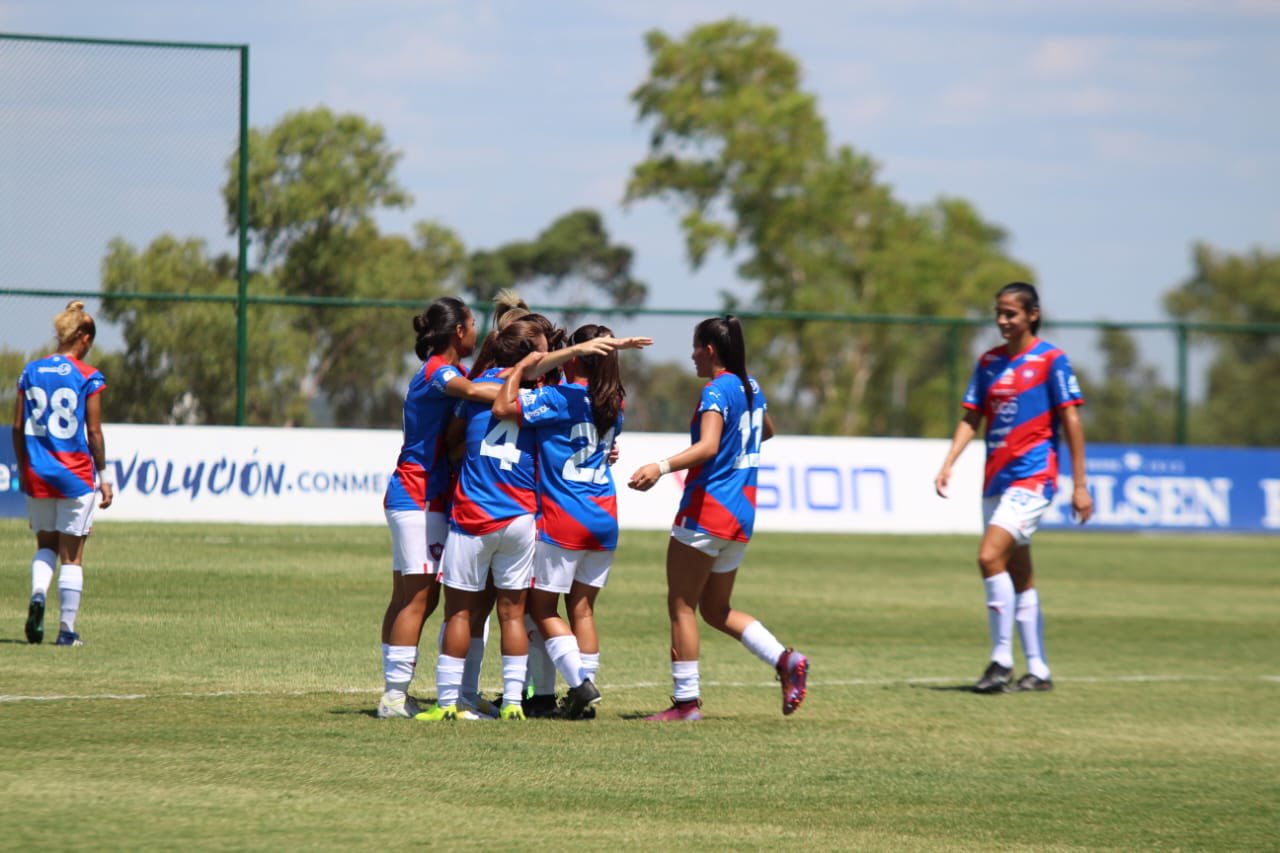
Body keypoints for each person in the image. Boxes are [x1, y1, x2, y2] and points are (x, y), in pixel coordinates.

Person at [419, 318, 618, 722]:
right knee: (521, 612)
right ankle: (514, 702)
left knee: (462, 612)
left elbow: (460, 437)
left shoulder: (529, 397)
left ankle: (449, 702)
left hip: (479, 515)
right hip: (529, 518)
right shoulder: (595, 400)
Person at [629, 315, 808, 721]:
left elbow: (707, 447)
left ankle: (686, 703)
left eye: (695, 347)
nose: (691, 355)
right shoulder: (752, 386)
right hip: (742, 514)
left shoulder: (715, 391)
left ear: (709, 349)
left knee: (681, 605)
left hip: (709, 510)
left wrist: (660, 466)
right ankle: (785, 660)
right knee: (716, 609)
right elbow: (767, 430)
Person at [934, 281, 1093, 694]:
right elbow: (972, 417)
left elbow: (1072, 422)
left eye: (1011, 314)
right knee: (1019, 574)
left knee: (989, 557)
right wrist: (950, 461)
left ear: (1032, 315)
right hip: (996, 482)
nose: (1003, 321)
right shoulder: (988, 362)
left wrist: (1080, 485)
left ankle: (1001, 661)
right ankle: (1038, 669)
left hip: (1034, 477)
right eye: (999, 313)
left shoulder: (1051, 361)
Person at [494, 323, 651, 718]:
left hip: (565, 517)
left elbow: (506, 407)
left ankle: (580, 685)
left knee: (542, 609)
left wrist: (524, 370)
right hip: (604, 516)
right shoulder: (614, 401)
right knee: (582, 609)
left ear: (577, 356)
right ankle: (583, 701)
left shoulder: (559, 397)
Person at [378, 296, 500, 719]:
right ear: (458, 331)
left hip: (417, 496)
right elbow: (470, 391)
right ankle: (394, 697)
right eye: (471, 324)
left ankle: (395, 693)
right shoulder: (438, 371)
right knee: (419, 601)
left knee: (407, 599)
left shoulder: (450, 370)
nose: (475, 332)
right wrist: (523, 389)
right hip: (419, 496)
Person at [12, 300, 113, 647]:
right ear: (82, 338)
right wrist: (105, 477)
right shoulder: (88, 376)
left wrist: (25, 469)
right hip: (74, 474)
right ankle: (66, 631)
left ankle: (38, 594)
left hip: (37, 472)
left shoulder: (31, 371)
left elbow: (16, 427)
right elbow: (94, 433)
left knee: (45, 546)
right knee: (73, 554)